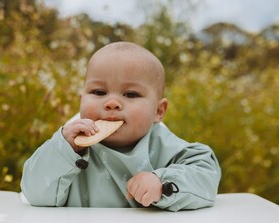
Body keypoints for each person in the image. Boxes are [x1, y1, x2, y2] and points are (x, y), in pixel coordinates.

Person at [21, 41, 221, 211]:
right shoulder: (69, 146)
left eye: (131, 94)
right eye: (99, 92)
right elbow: (35, 194)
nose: (111, 103)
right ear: (81, 100)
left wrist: (163, 182)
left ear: (158, 111)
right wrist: (63, 150)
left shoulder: (163, 146)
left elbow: (206, 175)